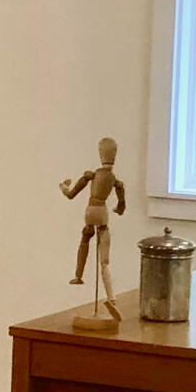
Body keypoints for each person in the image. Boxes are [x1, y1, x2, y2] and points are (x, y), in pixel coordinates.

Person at [61, 137, 128, 323]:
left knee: (85, 237)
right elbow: (121, 200)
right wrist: (119, 208)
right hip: (103, 212)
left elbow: (72, 194)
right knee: (104, 261)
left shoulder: (93, 174)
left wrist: (65, 187)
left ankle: (78, 275)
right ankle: (111, 297)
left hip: (91, 210)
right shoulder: (114, 179)